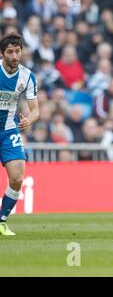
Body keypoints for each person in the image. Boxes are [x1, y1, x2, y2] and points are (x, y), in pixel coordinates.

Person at [0, 34, 39, 236]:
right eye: (10, 52)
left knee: (16, 178)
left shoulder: (27, 76)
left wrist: (28, 120)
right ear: (2, 53)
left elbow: (35, 110)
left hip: (8, 131)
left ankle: (1, 221)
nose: (14, 55)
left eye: (17, 51)